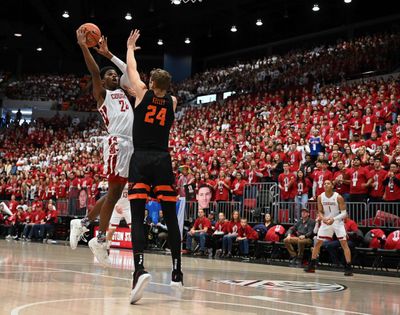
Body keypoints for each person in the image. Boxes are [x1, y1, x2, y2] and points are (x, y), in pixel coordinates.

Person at [125, 29, 183, 304]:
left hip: (141, 159)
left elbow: (131, 69)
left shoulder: (141, 93)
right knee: (171, 218)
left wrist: (129, 47)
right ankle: (177, 271)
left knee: (137, 217)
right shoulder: (172, 101)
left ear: (150, 82)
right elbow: (160, 93)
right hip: (163, 159)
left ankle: (139, 269)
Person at [69, 27, 134, 268]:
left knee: (114, 195)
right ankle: (99, 239)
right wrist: (85, 46)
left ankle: (84, 223)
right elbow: (95, 71)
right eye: (109, 76)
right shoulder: (102, 95)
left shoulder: (125, 92)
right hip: (117, 142)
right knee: (114, 193)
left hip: (131, 145)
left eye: (113, 75)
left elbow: (129, 70)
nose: (113, 77)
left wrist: (109, 55)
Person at [304, 180, 353, 276]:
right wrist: (323, 218)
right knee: (318, 242)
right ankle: (312, 265)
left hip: (337, 221)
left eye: (328, 183)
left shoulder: (338, 197)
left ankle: (348, 267)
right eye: (325, 183)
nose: (326, 185)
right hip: (326, 221)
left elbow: (344, 213)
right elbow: (320, 211)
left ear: (332, 185)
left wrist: (333, 219)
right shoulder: (320, 197)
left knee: (344, 244)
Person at [106, 184, 131, 254]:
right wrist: (116, 205)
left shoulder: (132, 180)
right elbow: (111, 195)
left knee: (133, 229)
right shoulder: (118, 181)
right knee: (111, 230)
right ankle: (107, 247)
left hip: (128, 209)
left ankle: (136, 250)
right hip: (116, 208)